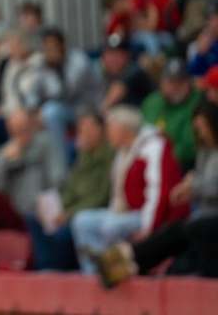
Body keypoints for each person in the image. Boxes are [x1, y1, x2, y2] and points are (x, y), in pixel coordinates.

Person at [95, 98, 218, 286]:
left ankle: (129, 259)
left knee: (184, 231)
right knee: (179, 233)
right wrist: (191, 183)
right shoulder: (205, 150)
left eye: (204, 127)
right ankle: (128, 261)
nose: (201, 132)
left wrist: (194, 186)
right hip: (203, 214)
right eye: (198, 128)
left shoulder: (154, 147)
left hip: (209, 217)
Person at [71, 105, 185, 273]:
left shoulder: (153, 147)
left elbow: (157, 192)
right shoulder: (123, 151)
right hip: (126, 212)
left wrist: (149, 228)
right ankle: (94, 272)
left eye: (111, 128)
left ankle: (114, 270)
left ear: (124, 129)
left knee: (112, 226)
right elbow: (117, 196)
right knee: (82, 221)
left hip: (150, 215)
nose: (107, 134)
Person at [28, 106, 113, 270]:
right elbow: (69, 189)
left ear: (101, 130)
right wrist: (57, 208)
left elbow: (101, 197)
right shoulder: (83, 156)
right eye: (81, 129)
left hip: (90, 211)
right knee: (33, 218)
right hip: (71, 210)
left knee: (66, 230)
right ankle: (45, 269)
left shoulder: (109, 157)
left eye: (88, 128)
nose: (83, 134)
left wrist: (68, 213)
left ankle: (58, 269)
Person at [0, 108, 66, 254]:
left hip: (39, 210)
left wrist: (46, 206)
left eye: (24, 129)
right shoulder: (5, 151)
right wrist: (5, 161)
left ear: (32, 125)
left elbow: (58, 178)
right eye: (16, 130)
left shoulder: (46, 143)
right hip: (14, 212)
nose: (21, 134)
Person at [36, 27, 103, 165]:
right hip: (67, 109)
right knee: (45, 113)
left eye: (53, 46)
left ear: (62, 45)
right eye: (46, 47)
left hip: (89, 107)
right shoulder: (43, 65)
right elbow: (38, 93)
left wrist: (55, 67)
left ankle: (61, 168)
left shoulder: (78, 60)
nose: (49, 50)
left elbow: (67, 92)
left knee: (51, 112)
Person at [141, 59, 200, 170]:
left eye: (180, 82)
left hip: (186, 165)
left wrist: (164, 150)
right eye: (170, 82)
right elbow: (143, 133)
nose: (175, 87)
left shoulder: (198, 102)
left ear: (189, 83)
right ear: (161, 83)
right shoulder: (152, 102)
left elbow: (190, 147)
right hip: (150, 160)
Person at [99, 34, 156, 110]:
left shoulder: (134, 71)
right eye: (110, 54)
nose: (113, 59)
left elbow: (112, 98)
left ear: (127, 56)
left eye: (118, 54)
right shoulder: (105, 73)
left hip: (146, 113)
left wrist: (98, 113)